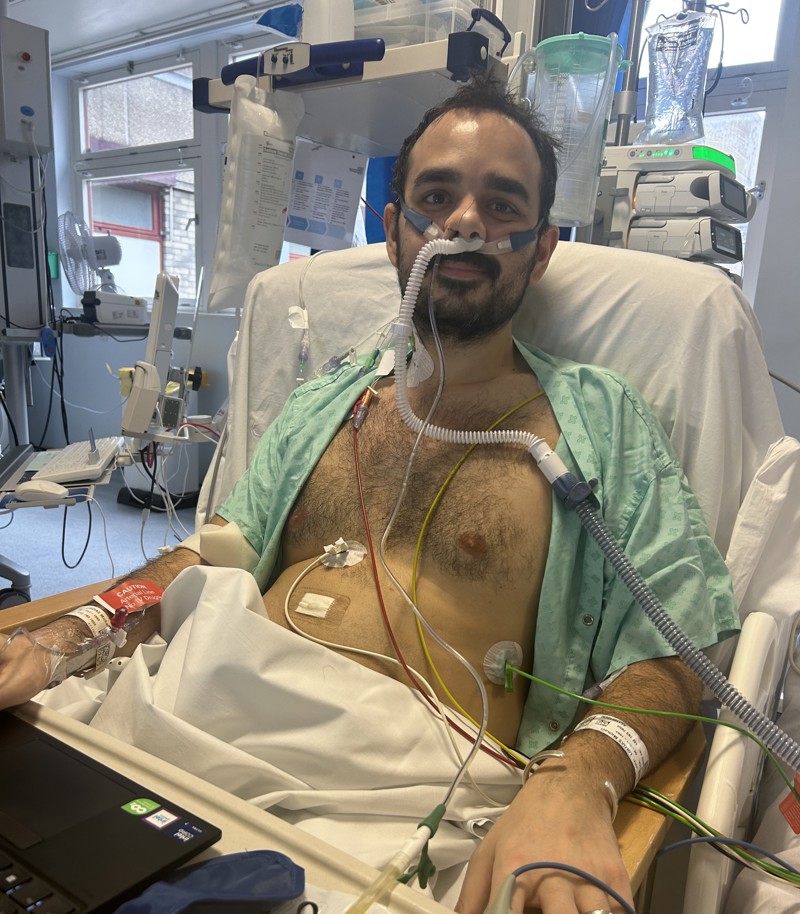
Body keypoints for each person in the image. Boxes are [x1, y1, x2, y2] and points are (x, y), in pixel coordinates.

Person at [0, 72, 739, 914]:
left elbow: (675, 654)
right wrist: (70, 632)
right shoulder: (329, 402)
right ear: (395, 233)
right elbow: (207, 554)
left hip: (378, 817)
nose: (465, 222)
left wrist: (578, 781)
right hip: (166, 737)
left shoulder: (594, 422)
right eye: (438, 196)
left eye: (502, 203)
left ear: (540, 250)